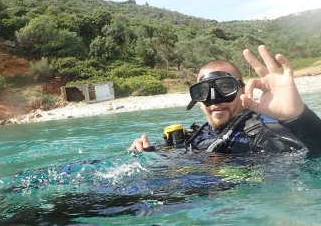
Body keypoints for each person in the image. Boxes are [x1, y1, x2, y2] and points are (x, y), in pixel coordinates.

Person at [129, 45, 321, 154]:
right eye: (202, 92)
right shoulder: (196, 135)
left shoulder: (266, 131)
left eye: (226, 87)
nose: (214, 100)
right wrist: (146, 154)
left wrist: (298, 117)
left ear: (242, 90)